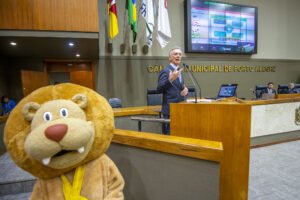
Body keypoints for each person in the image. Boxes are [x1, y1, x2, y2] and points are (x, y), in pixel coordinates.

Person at [157, 47, 188, 135]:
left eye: (180, 54)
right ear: (170, 58)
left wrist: (185, 90)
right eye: (175, 54)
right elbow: (159, 89)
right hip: (170, 111)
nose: (178, 56)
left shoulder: (179, 71)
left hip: (180, 109)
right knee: (170, 137)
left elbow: (179, 88)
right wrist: (169, 80)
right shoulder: (165, 71)